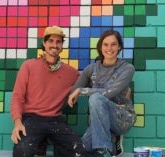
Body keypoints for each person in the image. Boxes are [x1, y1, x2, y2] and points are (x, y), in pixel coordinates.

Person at [10, 26, 89, 157]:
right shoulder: (28, 66)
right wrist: (17, 123)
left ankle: (44, 145)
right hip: (32, 118)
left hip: (56, 120)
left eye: (58, 42)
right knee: (22, 152)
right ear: (44, 43)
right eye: (51, 41)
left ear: (62, 45)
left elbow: (90, 80)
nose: (54, 45)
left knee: (79, 152)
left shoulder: (70, 72)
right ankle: (40, 145)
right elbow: (17, 97)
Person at [68, 30, 136, 157]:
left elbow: (110, 92)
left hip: (122, 118)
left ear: (119, 46)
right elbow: (73, 93)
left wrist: (83, 91)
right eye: (105, 44)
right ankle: (112, 140)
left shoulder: (127, 68)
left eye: (113, 44)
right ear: (100, 47)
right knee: (78, 151)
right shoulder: (91, 69)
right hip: (99, 122)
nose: (109, 48)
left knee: (96, 99)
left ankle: (104, 149)